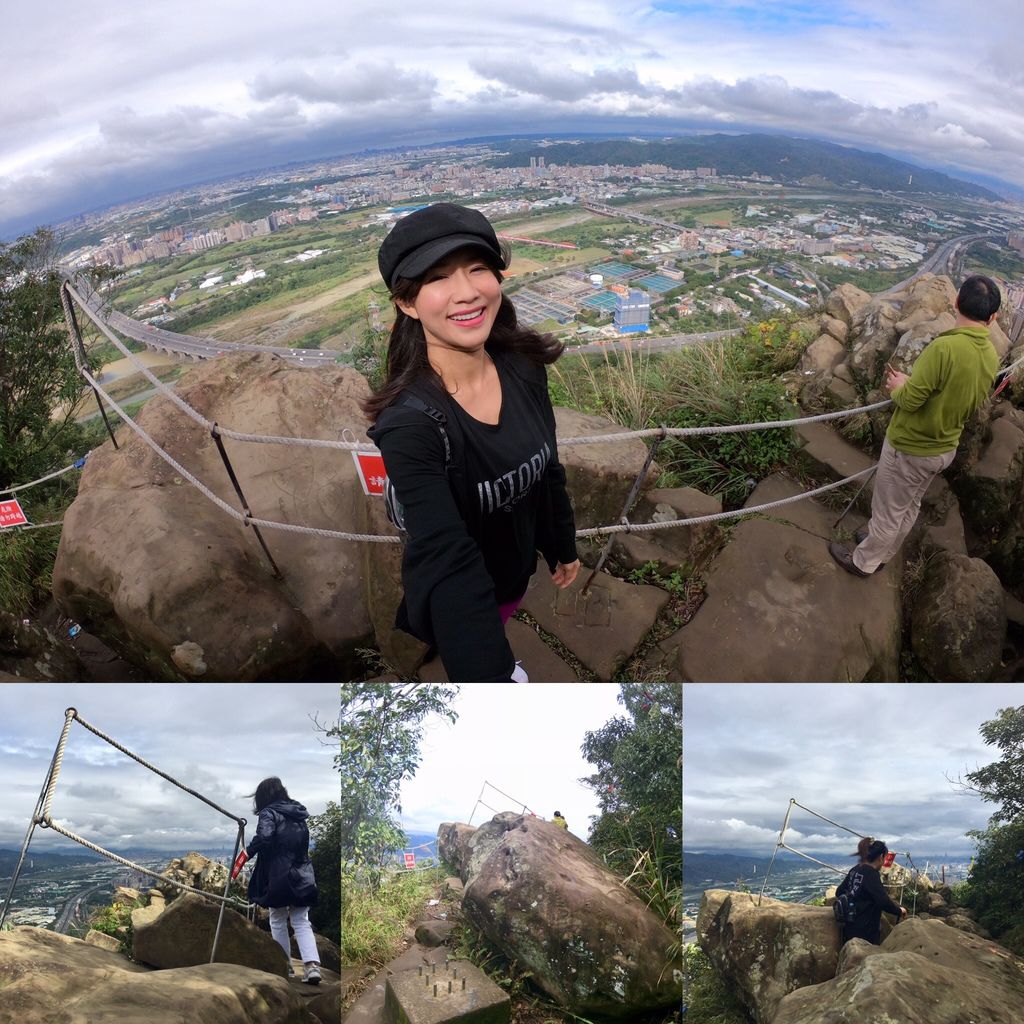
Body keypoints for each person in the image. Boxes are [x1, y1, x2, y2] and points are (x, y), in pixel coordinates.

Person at [365, 203, 580, 682]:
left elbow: (547, 470)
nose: (466, 292)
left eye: (478, 268)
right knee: (486, 630)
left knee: (503, 612)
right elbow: (446, 557)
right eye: (438, 278)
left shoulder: (522, 367)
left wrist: (560, 544)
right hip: (475, 586)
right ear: (407, 303)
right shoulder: (411, 427)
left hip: (516, 567)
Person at [829, 274, 1001, 577]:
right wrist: (916, 385)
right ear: (993, 316)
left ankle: (863, 562)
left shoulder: (944, 349)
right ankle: (885, 549)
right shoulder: (989, 354)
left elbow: (908, 401)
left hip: (912, 447)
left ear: (956, 303)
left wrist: (899, 385)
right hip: (943, 447)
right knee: (908, 506)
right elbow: (954, 392)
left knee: (886, 514)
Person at [246, 777, 321, 984]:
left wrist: (246, 853)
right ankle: (312, 967)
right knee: (301, 920)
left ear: (263, 797)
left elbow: (265, 836)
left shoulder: (268, 813)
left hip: (278, 875)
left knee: (277, 918)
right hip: (303, 872)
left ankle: (284, 965)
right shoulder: (298, 814)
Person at [835, 840, 907, 945]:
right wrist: (899, 911)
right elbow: (883, 901)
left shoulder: (855, 869)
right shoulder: (871, 874)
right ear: (881, 857)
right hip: (865, 931)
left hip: (848, 927)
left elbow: (839, 892)